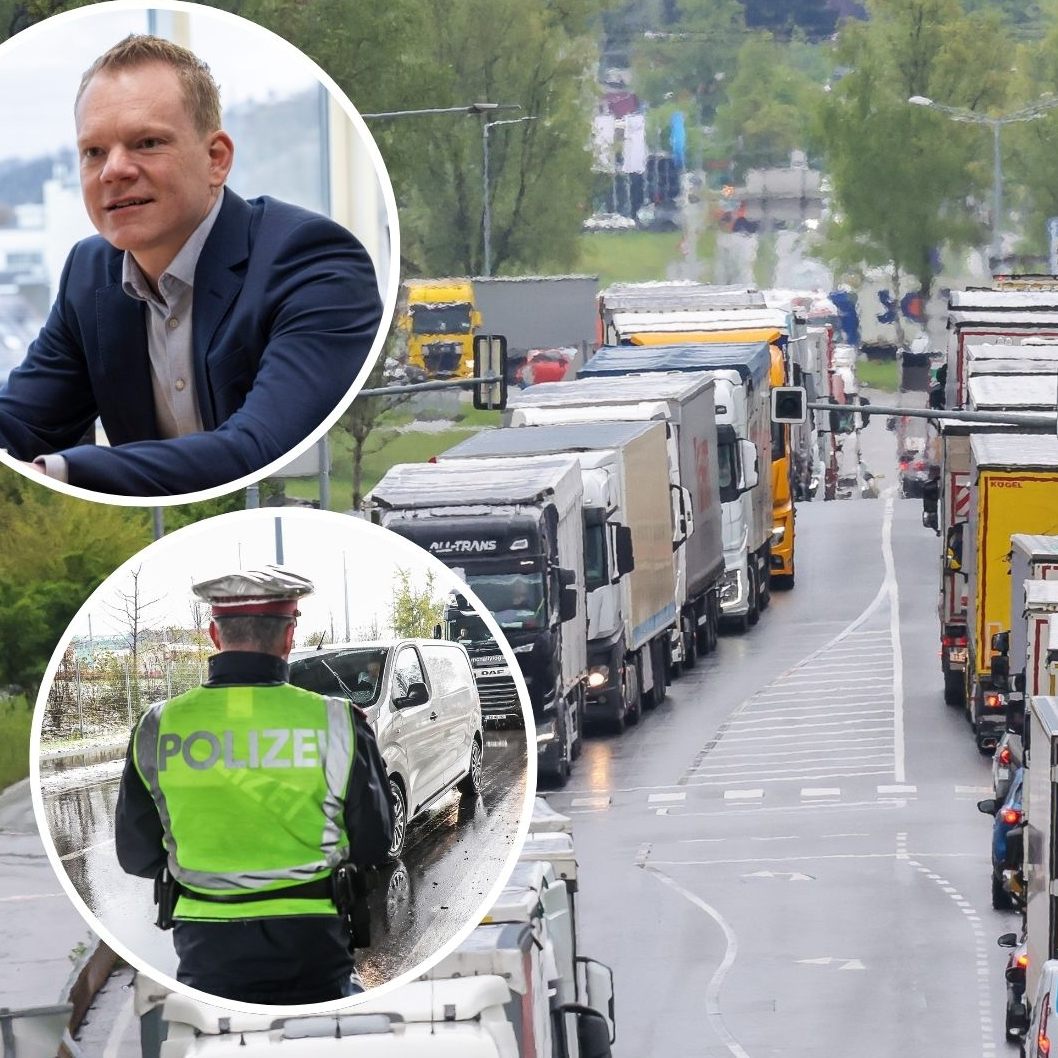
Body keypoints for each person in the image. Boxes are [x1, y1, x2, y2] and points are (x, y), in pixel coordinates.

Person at [0, 35, 383, 497]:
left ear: (215, 159)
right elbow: (21, 424)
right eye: (93, 152)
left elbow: (258, 447)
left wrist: (62, 471)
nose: (113, 171)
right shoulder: (89, 274)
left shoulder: (311, 262)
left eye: (146, 143)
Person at [114, 566, 394, 1005]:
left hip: (204, 946)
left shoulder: (158, 726)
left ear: (214, 634)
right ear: (288, 638)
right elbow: (375, 841)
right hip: (313, 943)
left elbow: (136, 854)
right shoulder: (337, 722)